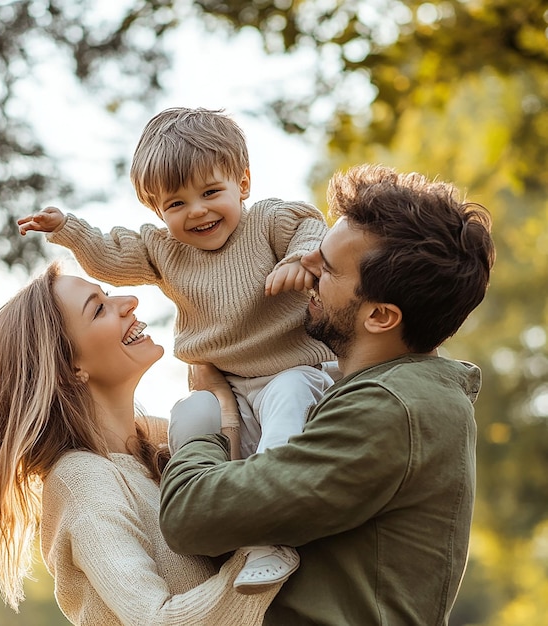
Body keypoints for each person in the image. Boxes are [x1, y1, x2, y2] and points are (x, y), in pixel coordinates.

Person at [158, 163, 496, 625]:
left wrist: (201, 425)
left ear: (380, 316)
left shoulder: (388, 408)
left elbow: (193, 516)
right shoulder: (366, 391)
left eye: (329, 266)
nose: (306, 264)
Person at [16, 106, 338, 589]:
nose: (198, 211)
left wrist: (300, 261)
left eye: (211, 193)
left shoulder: (269, 221)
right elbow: (111, 254)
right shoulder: (165, 250)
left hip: (292, 368)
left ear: (243, 183)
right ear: (157, 210)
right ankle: (249, 543)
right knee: (227, 457)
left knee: (285, 421)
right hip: (228, 383)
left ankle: (274, 536)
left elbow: (311, 228)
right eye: (176, 204)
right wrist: (67, 228)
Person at [0, 262, 283, 626]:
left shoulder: (163, 440)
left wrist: (221, 398)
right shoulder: (82, 480)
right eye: (99, 308)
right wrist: (274, 546)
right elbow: (156, 620)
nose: (129, 301)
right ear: (70, 368)